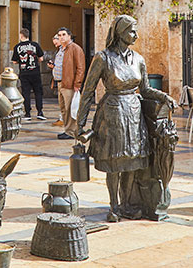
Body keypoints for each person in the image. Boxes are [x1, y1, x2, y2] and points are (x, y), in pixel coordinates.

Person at [75, 14, 175, 222]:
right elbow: (88, 91)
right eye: (132, 31)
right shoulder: (103, 58)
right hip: (112, 114)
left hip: (134, 113)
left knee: (131, 161)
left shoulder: (139, 59)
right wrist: (80, 123)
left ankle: (127, 204)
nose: (136, 35)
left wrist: (164, 96)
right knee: (115, 162)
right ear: (120, 32)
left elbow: (146, 89)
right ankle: (113, 205)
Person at [56, 27, 85, 141]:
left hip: (70, 84)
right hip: (60, 83)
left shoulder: (75, 48)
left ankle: (72, 131)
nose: (61, 37)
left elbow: (80, 67)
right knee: (63, 109)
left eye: (63, 34)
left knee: (70, 108)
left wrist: (77, 83)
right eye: (59, 35)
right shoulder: (61, 49)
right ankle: (67, 130)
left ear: (69, 36)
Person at [13, 28, 46, 121]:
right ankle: (40, 112)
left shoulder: (17, 47)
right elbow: (41, 59)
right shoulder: (35, 45)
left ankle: (28, 113)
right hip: (35, 72)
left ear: (21, 35)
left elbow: (14, 61)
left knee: (26, 93)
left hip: (24, 73)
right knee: (38, 92)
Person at [47, 33, 64, 126]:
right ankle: (62, 118)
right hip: (59, 80)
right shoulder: (60, 51)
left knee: (65, 102)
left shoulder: (65, 51)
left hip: (64, 80)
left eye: (56, 43)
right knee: (61, 102)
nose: (55, 45)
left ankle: (65, 121)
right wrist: (53, 66)